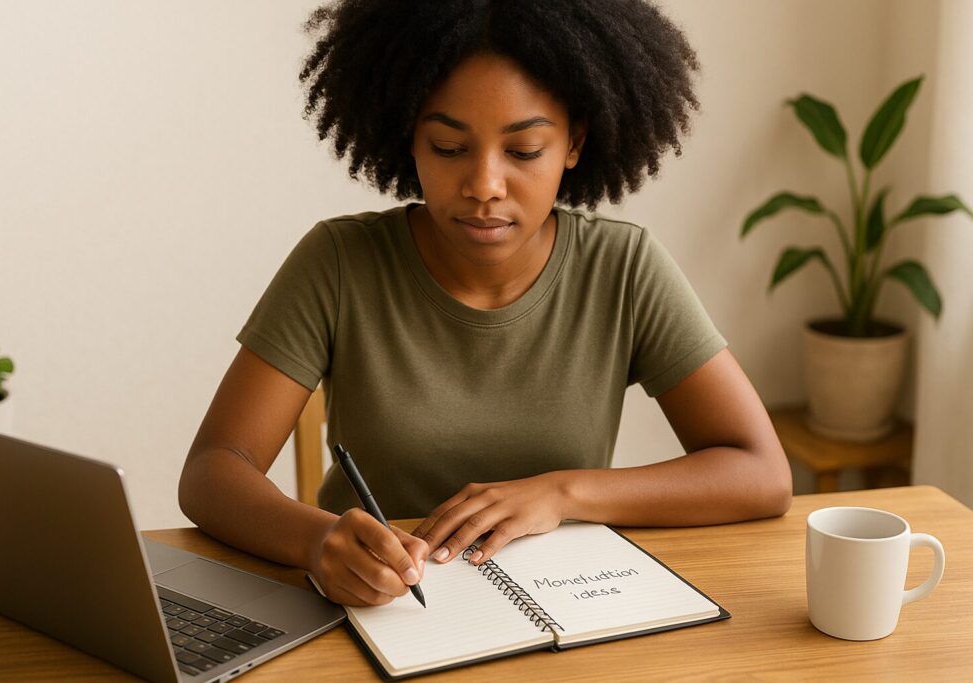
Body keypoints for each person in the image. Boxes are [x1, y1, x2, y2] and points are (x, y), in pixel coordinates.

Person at [178, 0, 792, 609]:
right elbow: (212, 471)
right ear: (410, 138)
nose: (484, 186)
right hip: (377, 615)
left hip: (561, 611)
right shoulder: (339, 262)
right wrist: (318, 541)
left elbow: (760, 473)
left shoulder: (623, 270)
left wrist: (562, 494)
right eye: (448, 147)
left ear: (574, 142)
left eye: (524, 151)